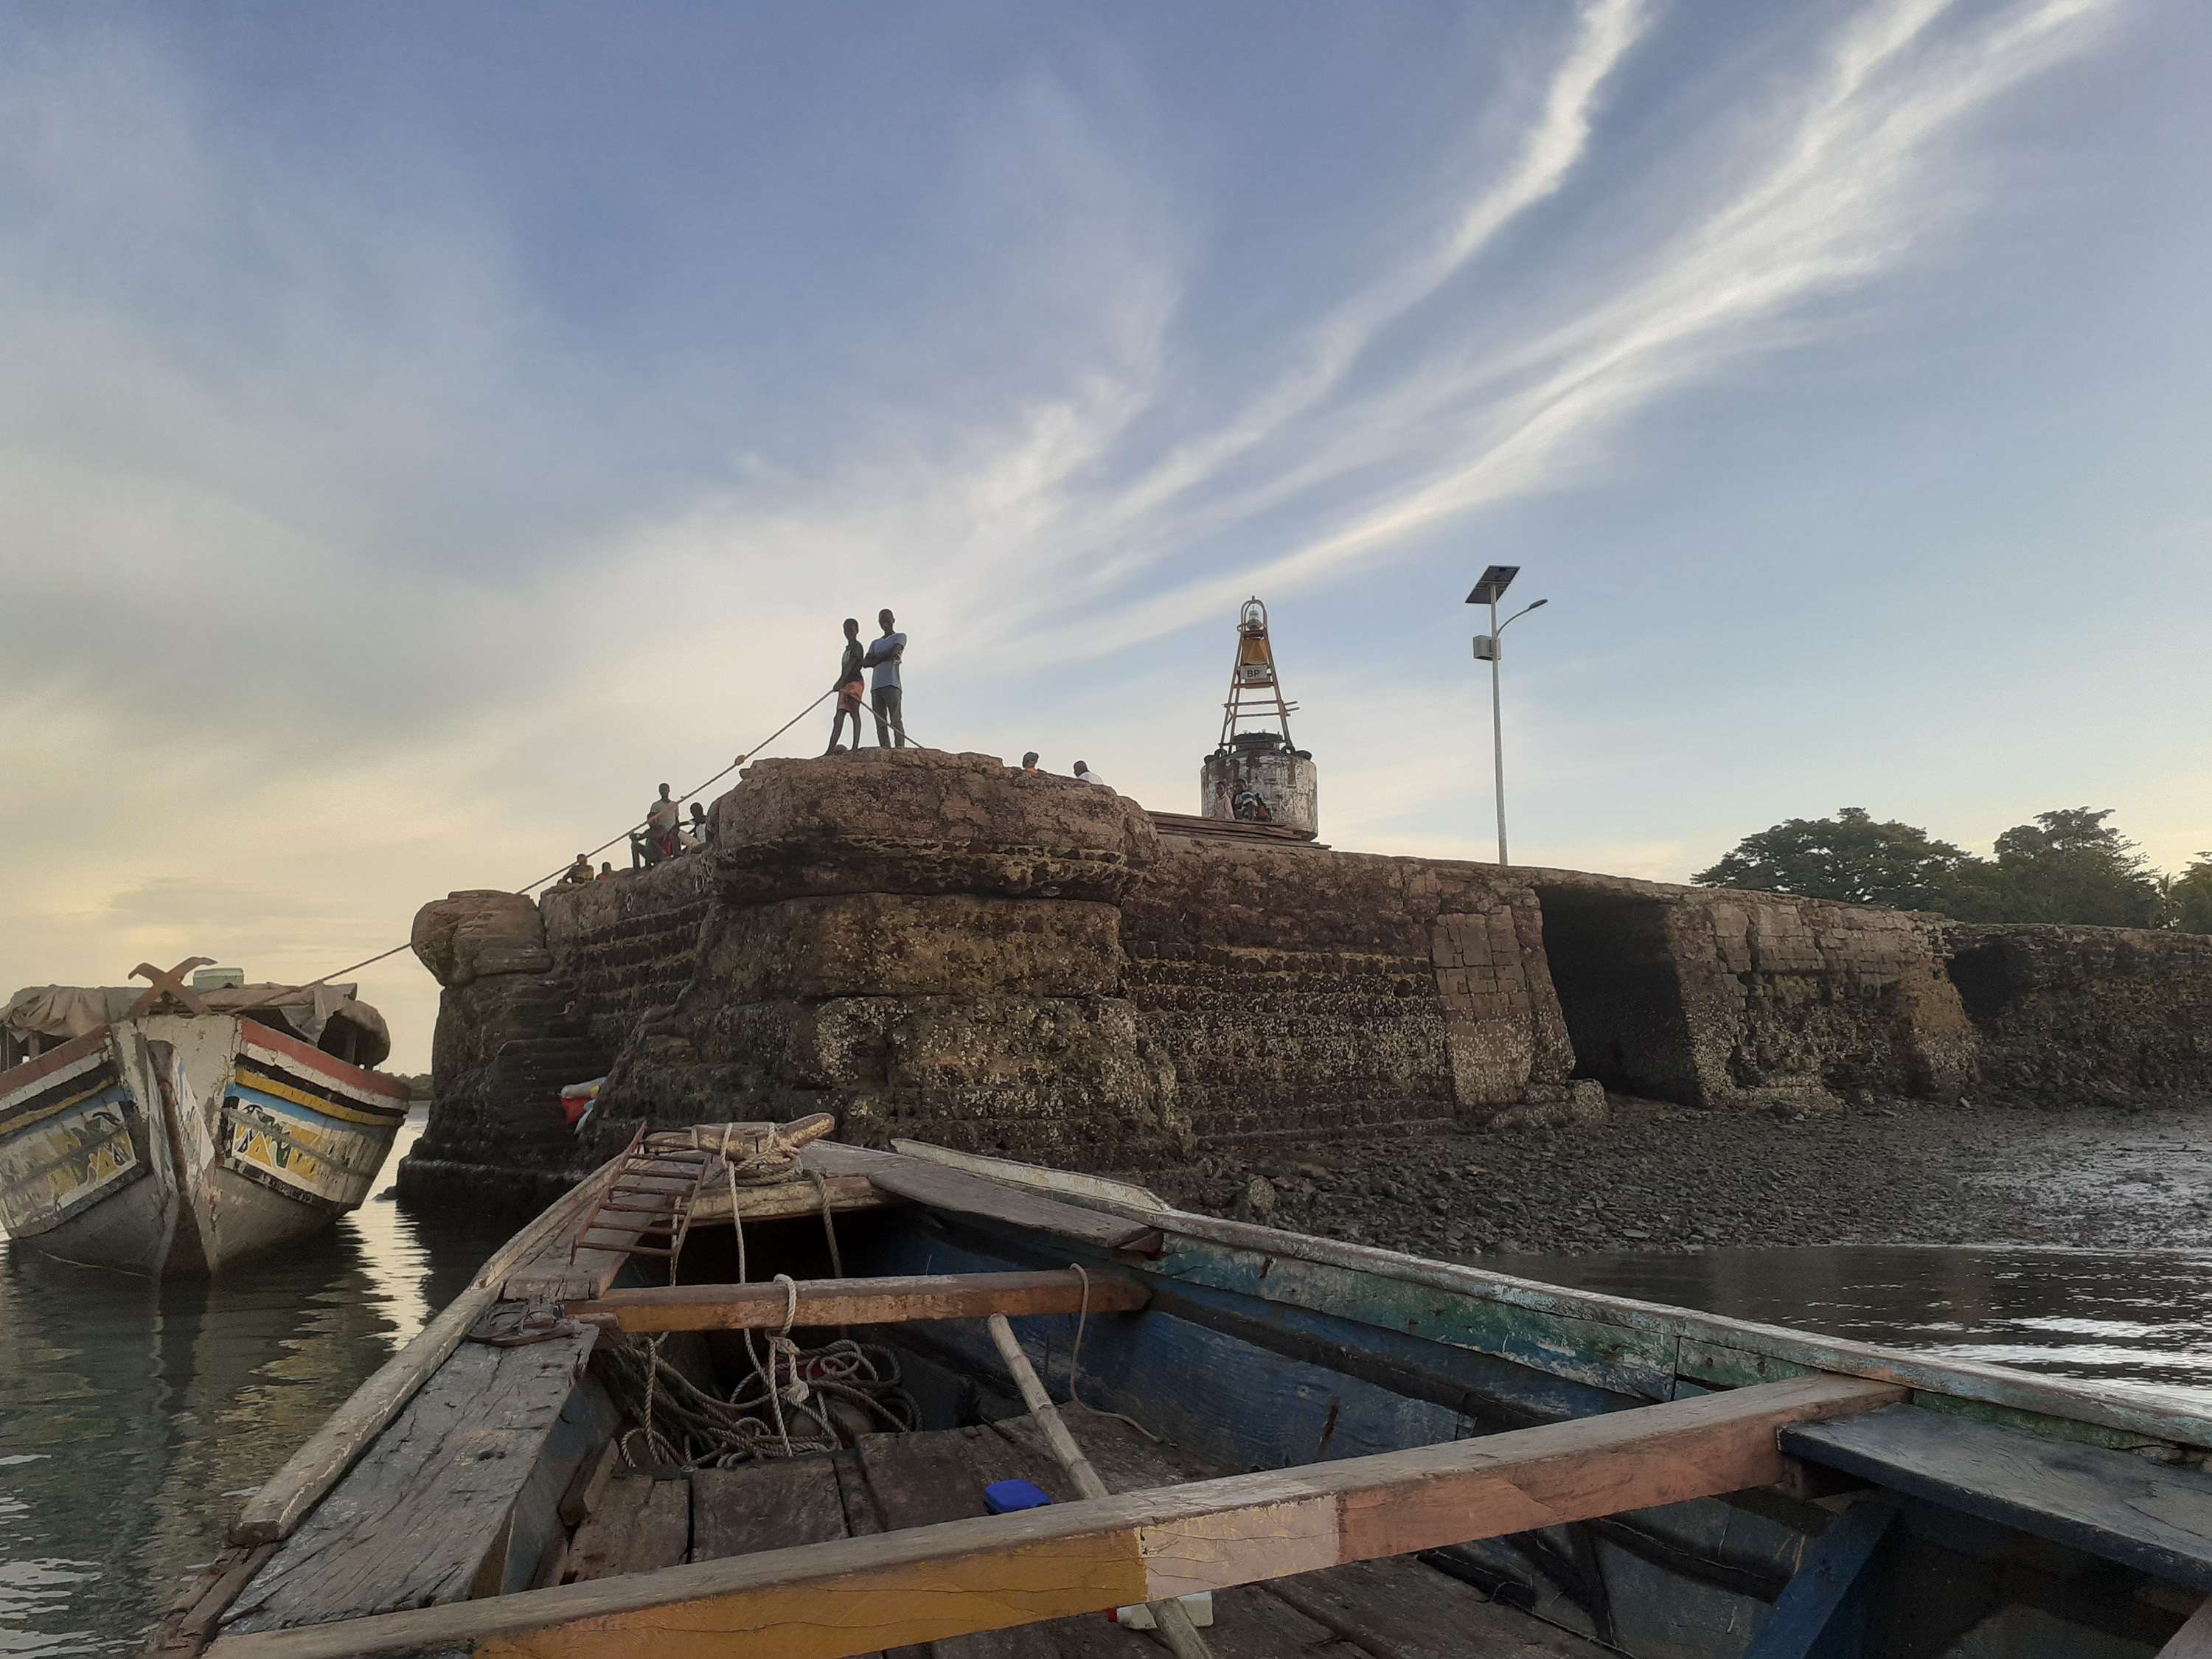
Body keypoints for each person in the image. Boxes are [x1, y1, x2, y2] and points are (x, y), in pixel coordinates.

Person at [863, 609, 908, 748]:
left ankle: (899, 749)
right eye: (882, 621)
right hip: (876, 686)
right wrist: (886, 656)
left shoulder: (900, 636)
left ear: (893, 620)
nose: (885, 623)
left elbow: (894, 651)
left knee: (896, 720)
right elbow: (865, 663)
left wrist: (876, 658)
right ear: (879, 623)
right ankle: (885, 749)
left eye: (887, 620)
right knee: (880, 722)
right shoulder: (875, 643)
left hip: (892, 684)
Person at [826, 618, 867, 754]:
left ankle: (855, 746)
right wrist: (842, 682)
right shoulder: (847, 649)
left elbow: (852, 664)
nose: (848, 632)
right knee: (839, 716)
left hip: (854, 681)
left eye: (850, 629)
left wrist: (840, 681)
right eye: (845, 630)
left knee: (854, 712)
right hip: (845, 683)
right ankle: (830, 750)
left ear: (857, 630)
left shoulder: (857, 646)